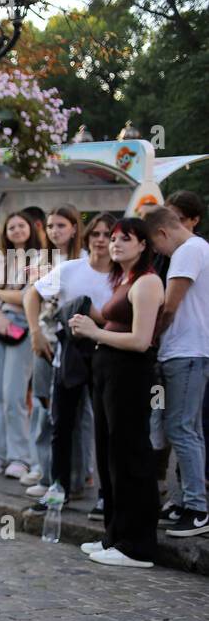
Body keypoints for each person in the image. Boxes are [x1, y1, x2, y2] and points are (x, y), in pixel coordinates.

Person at [70, 218, 164, 567]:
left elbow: (141, 340)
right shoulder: (122, 279)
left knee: (129, 454)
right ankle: (115, 535)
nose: (116, 244)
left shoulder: (148, 281)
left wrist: (95, 332)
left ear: (143, 244)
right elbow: (114, 321)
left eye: (125, 239)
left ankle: (137, 545)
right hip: (108, 370)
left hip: (130, 374)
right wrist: (84, 317)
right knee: (109, 452)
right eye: (113, 239)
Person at [22, 213, 115, 515]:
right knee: (60, 423)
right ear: (87, 238)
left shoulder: (123, 274)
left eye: (108, 234)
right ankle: (57, 489)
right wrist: (36, 332)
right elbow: (32, 295)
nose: (101, 240)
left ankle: (106, 495)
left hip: (108, 354)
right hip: (70, 355)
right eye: (96, 234)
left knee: (104, 426)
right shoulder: (71, 268)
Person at [147, 206, 209, 538]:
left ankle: (197, 508)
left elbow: (170, 305)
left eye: (157, 247)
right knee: (189, 429)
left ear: (162, 233)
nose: (159, 253)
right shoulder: (200, 249)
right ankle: (185, 500)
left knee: (182, 429)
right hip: (191, 352)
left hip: (185, 352)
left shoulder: (187, 252)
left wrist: (150, 335)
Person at [0, 210, 44, 479]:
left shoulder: (40, 258)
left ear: (31, 229)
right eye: (11, 226)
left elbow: (30, 295)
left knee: (14, 394)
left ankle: (20, 456)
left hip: (25, 326)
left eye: (21, 225)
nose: (15, 230)